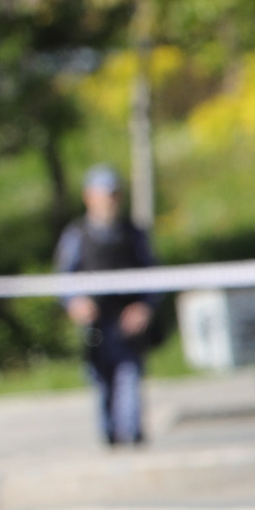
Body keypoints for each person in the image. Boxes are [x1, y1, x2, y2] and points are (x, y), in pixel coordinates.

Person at [56, 165, 158, 447]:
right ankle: (110, 439)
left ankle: (132, 437)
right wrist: (74, 302)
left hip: (127, 321)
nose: (109, 201)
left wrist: (144, 306)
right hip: (96, 324)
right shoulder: (77, 235)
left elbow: (153, 276)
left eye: (114, 195)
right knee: (101, 382)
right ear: (89, 197)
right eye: (104, 195)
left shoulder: (133, 234)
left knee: (130, 376)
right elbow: (64, 279)